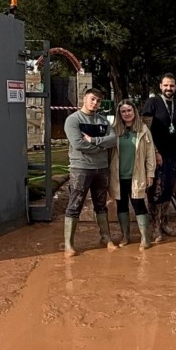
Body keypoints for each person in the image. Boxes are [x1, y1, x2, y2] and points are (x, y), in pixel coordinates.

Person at [62, 88, 118, 257]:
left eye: (98, 101)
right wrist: (101, 146)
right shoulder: (73, 120)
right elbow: (78, 144)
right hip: (80, 168)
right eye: (93, 99)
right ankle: (69, 244)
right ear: (85, 99)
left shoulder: (103, 121)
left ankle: (105, 237)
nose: (95, 103)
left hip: (101, 169)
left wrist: (94, 141)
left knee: (101, 204)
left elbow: (114, 139)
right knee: (75, 204)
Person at [108, 100, 157, 251]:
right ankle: (125, 236)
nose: (127, 113)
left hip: (137, 175)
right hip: (118, 175)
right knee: (121, 205)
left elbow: (150, 154)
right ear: (119, 114)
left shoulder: (143, 130)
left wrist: (150, 174)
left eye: (129, 110)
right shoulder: (114, 131)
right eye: (123, 111)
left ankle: (145, 237)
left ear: (134, 111)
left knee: (138, 204)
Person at [141, 73, 176, 242]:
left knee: (168, 189)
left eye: (171, 85)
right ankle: (155, 226)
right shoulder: (152, 103)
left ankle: (164, 221)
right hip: (155, 154)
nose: (169, 88)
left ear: (175, 86)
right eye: (166, 85)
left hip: (173, 155)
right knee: (155, 190)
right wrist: (156, 152)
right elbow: (146, 130)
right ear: (160, 86)